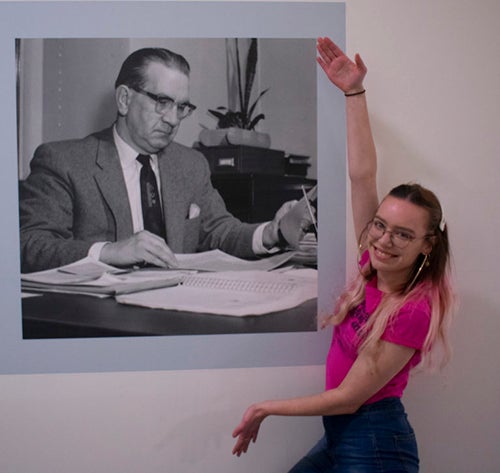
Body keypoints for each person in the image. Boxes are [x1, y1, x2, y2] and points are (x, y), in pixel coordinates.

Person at [231, 37, 455, 472]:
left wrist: (265, 408)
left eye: (403, 235)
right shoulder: (371, 265)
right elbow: (361, 176)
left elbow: (350, 396)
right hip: (345, 436)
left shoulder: (412, 309)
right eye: (380, 225)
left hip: (374, 443)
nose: (384, 240)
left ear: (428, 244)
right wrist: (354, 92)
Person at [19, 47, 313, 273]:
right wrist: (108, 251)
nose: (173, 119)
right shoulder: (63, 161)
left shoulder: (190, 164)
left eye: (181, 107)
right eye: (162, 102)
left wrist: (272, 232)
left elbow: (220, 231)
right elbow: (30, 246)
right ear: (124, 100)